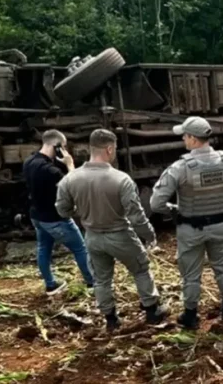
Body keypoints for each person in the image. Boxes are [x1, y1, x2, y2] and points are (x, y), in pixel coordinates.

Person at [55, 129, 168, 332]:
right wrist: (149, 235)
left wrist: (80, 214)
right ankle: (152, 311)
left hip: (93, 237)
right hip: (120, 235)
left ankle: (111, 320)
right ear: (109, 148)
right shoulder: (121, 179)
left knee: (101, 279)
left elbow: (62, 209)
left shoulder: (70, 180)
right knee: (141, 269)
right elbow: (136, 215)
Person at [149, 117, 223, 329]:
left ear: (193, 139)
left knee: (191, 275)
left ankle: (190, 315)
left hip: (190, 229)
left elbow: (156, 203)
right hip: (221, 225)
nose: (183, 139)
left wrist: (174, 210)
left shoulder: (180, 167)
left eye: (185, 136)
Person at [22, 130, 94, 296]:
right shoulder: (49, 170)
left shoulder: (29, 161)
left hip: (37, 216)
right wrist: (69, 163)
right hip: (55, 218)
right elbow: (74, 185)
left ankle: (50, 284)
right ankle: (92, 282)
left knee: (44, 248)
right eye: (64, 146)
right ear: (58, 147)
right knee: (80, 248)